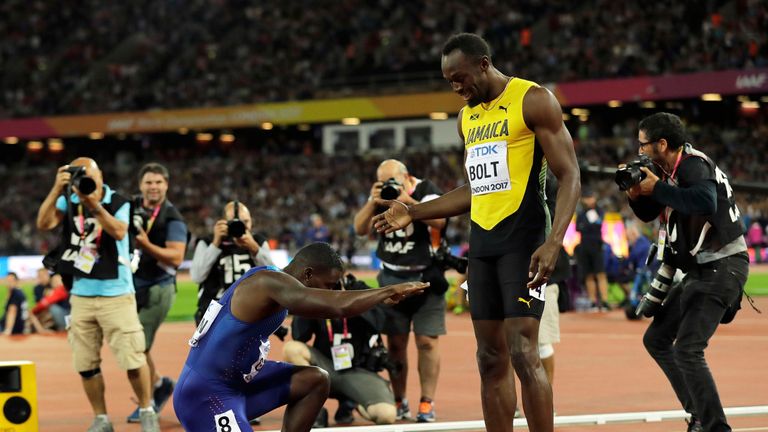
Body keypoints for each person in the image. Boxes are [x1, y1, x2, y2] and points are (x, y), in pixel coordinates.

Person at [373, 33, 580, 432]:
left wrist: (554, 241)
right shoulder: (468, 117)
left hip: (525, 239)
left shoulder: (532, 99)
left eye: (459, 77)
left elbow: (570, 174)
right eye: (449, 80)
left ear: (484, 64)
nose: (455, 87)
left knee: (523, 351)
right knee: (489, 357)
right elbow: (472, 189)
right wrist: (413, 212)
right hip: (483, 245)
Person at [172, 242, 427, 432]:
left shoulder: (279, 287)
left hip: (239, 384)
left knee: (315, 380)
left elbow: (332, 303)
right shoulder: (266, 283)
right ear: (307, 274)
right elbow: (336, 306)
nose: (333, 290)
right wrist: (387, 291)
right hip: (206, 395)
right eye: (329, 285)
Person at [628, 112, 749, 432]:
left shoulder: (693, 164)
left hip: (723, 266)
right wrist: (637, 196)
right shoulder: (669, 170)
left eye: (643, 146)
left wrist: (659, 189)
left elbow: (704, 201)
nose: (639, 152)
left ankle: (713, 426)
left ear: (662, 144)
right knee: (657, 339)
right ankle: (699, 415)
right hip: (702, 269)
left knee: (688, 350)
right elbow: (652, 211)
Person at [36, 157, 158, 431]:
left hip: (117, 293)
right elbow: (44, 223)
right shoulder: (69, 199)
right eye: (79, 175)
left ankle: (147, 410)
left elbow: (118, 231)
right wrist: (57, 189)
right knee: (85, 362)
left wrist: (92, 203)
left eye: (89, 175)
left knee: (132, 358)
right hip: (81, 294)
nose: (86, 180)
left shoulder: (120, 201)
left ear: (101, 175)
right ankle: (101, 418)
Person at [353, 158, 447, 422]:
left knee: (427, 341)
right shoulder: (381, 197)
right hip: (392, 279)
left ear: (406, 177)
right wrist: (373, 202)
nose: (388, 187)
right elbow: (359, 229)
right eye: (383, 183)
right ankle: (399, 398)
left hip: (426, 277)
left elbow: (440, 220)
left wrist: (408, 201)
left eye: (392, 181)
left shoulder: (426, 189)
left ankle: (427, 402)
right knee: (395, 344)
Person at [284, 273, 396, 427]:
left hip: (357, 371)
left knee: (386, 415)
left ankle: (354, 401)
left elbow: (379, 322)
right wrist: (307, 303)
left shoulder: (358, 289)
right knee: (292, 349)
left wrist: (347, 302)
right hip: (324, 367)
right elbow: (299, 336)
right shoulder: (317, 295)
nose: (330, 287)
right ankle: (315, 410)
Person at [128, 162, 188, 422]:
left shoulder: (172, 218)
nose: (153, 187)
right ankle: (159, 384)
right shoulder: (128, 207)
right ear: (140, 185)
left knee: (136, 347)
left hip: (158, 287)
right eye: (149, 182)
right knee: (131, 342)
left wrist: (144, 243)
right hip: (132, 285)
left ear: (166, 185)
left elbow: (176, 257)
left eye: (158, 182)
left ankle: (148, 402)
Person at [190, 200, 275, 325]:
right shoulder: (207, 242)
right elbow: (197, 276)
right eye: (234, 223)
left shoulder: (258, 242)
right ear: (223, 222)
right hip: (213, 310)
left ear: (251, 221)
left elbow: (272, 276)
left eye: (245, 222)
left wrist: (254, 249)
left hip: (249, 310)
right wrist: (215, 244)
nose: (241, 227)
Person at [575, 188, 610, 311]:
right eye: (587, 198)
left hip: (597, 246)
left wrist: (586, 226)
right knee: (588, 275)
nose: (589, 200)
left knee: (600, 273)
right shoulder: (581, 212)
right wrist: (588, 225)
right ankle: (592, 302)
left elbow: (596, 224)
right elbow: (578, 228)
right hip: (584, 246)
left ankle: (605, 301)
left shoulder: (599, 211)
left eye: (590, 197)